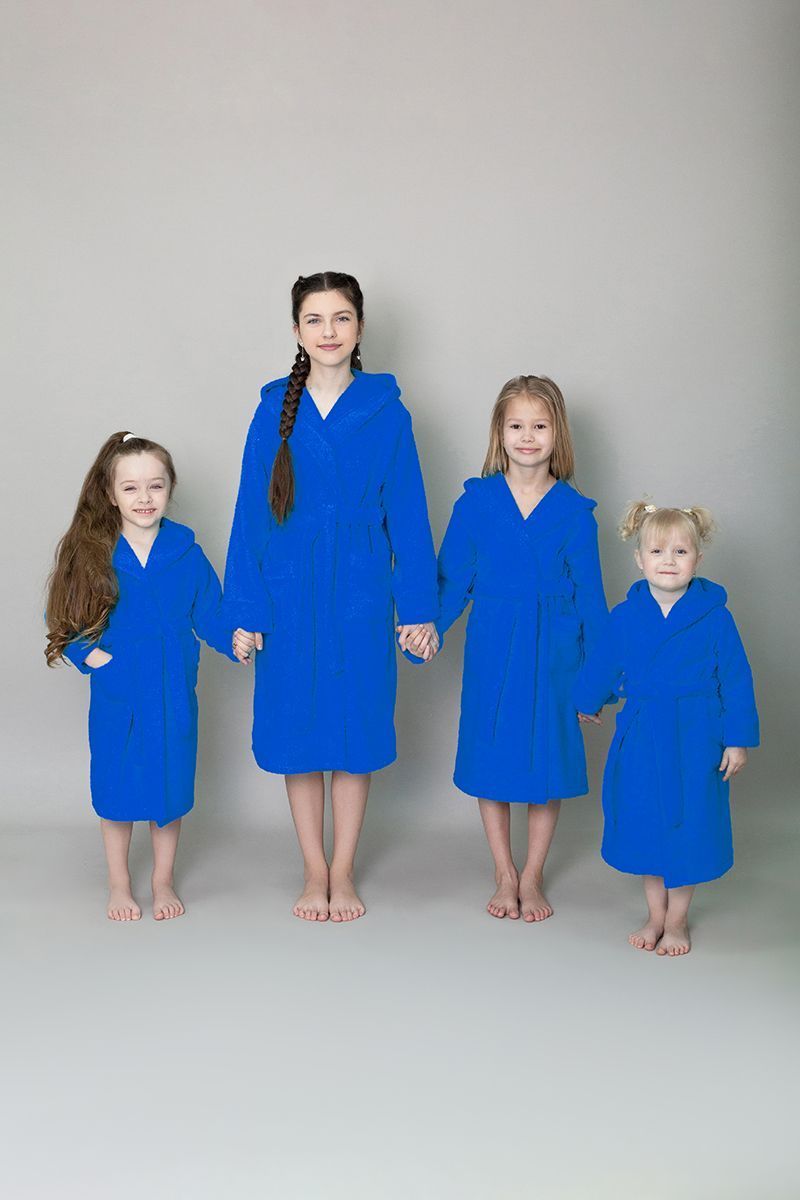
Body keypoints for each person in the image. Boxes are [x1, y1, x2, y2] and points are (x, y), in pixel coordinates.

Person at [225, 272, 439, 923]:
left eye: (341, 318)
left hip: (360, 588)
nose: (328, 331)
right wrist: (246, 610)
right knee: (298, 729)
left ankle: (343, 870)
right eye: (314, 320)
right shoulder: (272, 411)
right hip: (290, 590)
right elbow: (250, 518)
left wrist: (418, 608)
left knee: (354, 727)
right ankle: (312, 869)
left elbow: (410, 516)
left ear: (360, 328)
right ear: (297, 331)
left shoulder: (388, 412)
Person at [432, 376, 607, 921]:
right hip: (494, 644)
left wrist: (597, 681)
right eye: (516, 425)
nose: (527, 437)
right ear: (499, 432)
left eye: (539, 426)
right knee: (491, 753)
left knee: (546, 762)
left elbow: (592, 601)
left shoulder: (575, 513)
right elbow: (451, 579)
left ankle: (532, 875)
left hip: (556, 650)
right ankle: (503, 871)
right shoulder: (476, 503)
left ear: (558, 434)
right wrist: (427, 630)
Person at [45, 433, 236, 921]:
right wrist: (95, 660)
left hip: (173, 688)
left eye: (156, 485)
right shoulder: (92, 551)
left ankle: (162, 880)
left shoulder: (186, 552)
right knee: (117, 786)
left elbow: (210, 613)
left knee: (169, 786)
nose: (144, 498)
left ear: (171, 488)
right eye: (130, 488)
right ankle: (119, 885)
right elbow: (64, 617)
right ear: (110, 495)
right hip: (121, 690)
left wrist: (234, 640)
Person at [574, 501, 759, 956]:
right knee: (646, 819)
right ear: (639, 559)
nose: (669, 561)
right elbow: (603, 663)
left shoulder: (716, 617)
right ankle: (655, 915)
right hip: (642, 735)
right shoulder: (625, 615)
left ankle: (677, 921)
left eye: (680, 552)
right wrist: (587, 701)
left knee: (689, 823)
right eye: (657, 552)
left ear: (698, 559)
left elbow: (736, 679)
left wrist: (737, 740)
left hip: (697, 736)